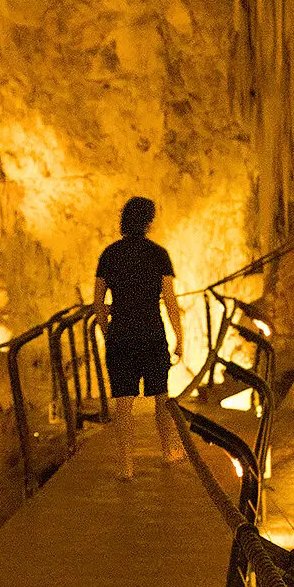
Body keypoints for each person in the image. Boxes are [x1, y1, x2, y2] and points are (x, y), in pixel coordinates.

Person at [93, 197, 186, 479]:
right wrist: (180, 338)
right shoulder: (159, 254)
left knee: (123, 401)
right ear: (148, 222)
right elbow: (169, 300)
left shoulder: (109, 254)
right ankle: (168, 450)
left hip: (121, 331)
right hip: (151, 331)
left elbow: (98, 302)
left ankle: (126, 464)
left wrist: (107, 331)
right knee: (161, 396)